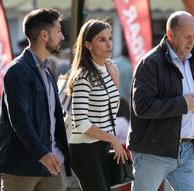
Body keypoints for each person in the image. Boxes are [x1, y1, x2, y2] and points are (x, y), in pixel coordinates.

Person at [127, 11, 194, 191]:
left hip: (186, 152)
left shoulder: (191, 62)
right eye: (187, 36)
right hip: (153, 153)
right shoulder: (150, 63)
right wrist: (182, 104)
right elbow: (142, 106)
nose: (191, 41)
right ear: (170, 34)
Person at [0, 8, 71, 191]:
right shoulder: (18, 70)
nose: (62, 37)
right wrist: (42, 153)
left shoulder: (47, 70)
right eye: (58, 31)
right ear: (44, 35)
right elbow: (19, 119)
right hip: (22, 166)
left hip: (53, 163)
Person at [66, 18, 128, 191]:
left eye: (109, 39)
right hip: (84, 149)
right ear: (87, 44)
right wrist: (113, 140)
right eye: (102, 39)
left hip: (102, 146)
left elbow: (111, 112)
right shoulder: (83, 76)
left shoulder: (109, 71)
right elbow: (81, 123)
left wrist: (115, 82)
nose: (108, 44)